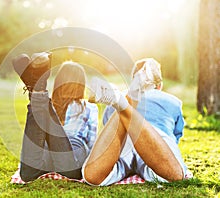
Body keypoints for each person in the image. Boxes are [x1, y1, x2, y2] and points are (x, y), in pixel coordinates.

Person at [82, 58, 189, 186]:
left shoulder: (111, 106)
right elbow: (176, 135)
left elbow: (107, 134)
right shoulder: (172, 101)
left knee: (93, 176)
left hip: (123, 137)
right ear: (159, 86)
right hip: (153, 139)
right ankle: (126, 104)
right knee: (175, 174)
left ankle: (124, 103)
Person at [12, 52, 98, 182]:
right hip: (71, 158)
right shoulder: (89, 107)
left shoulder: (48, 107)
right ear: (81, 83)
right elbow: (92, 144)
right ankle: (37, 90)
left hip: (51, 151)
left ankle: (35, 89)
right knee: (28, 175)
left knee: (28, 174)